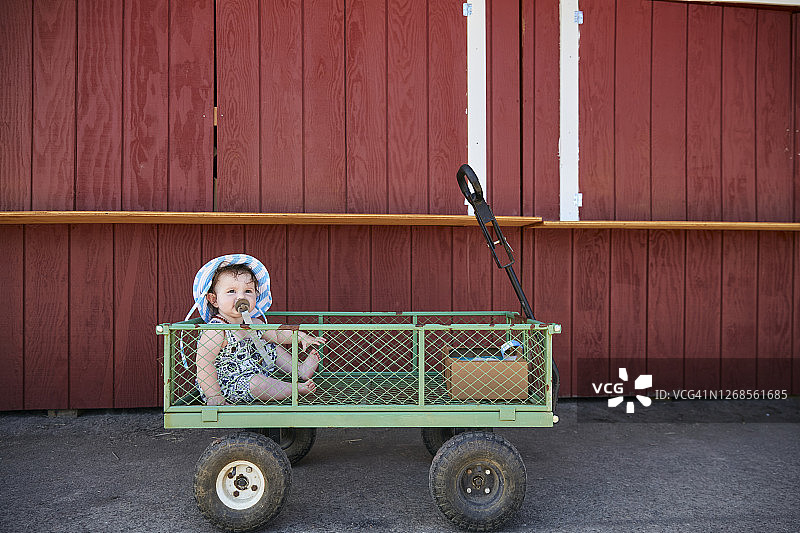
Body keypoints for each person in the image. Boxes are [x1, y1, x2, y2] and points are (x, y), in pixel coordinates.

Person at [189, 254, 324, 405]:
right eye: (231, 291)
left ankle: (300, 370)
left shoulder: (254, 323)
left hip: (255, 370)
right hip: (231, 385)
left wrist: (300, 336)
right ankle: (295, 388)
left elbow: (278, 335)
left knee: (271, 346)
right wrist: (214, 395)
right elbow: (204, 363)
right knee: (257, 383)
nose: (241, 297)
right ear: (214, 299)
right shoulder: (216, 330)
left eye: (248, 291)